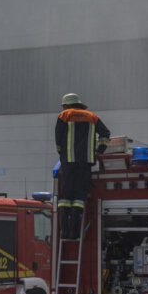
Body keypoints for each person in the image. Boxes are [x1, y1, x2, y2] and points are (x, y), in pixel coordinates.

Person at [55, 93, 110, 240]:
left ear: (66, 105)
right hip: (86, 162)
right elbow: (105, 134)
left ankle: (64, 232)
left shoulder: (64, 115)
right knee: (79, 197)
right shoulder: (92, 117)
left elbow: (58, 139)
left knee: (65, 198)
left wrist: (62, 155)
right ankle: (75, 232)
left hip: (68, 161)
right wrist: (100, 151)